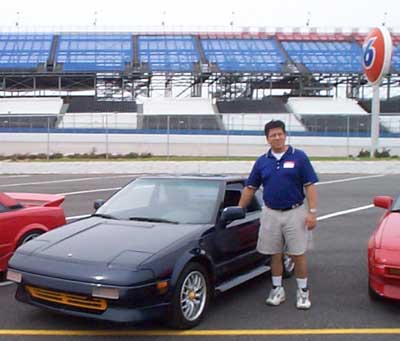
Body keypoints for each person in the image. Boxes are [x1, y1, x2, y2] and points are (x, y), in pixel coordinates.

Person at [238, 119, 318, 310]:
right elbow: (250, 187)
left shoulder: (299, 157)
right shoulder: (262, 161)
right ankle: (277, 289)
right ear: (267, 139)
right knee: (274, 254)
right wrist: (238, 209)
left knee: (298, 253)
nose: (277, 137)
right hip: (271, 213)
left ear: (285, 135)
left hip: (295, 212)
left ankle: (303, 292)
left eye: (280, 133)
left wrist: (312, 212)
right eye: (273, 135)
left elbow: (310, 186)